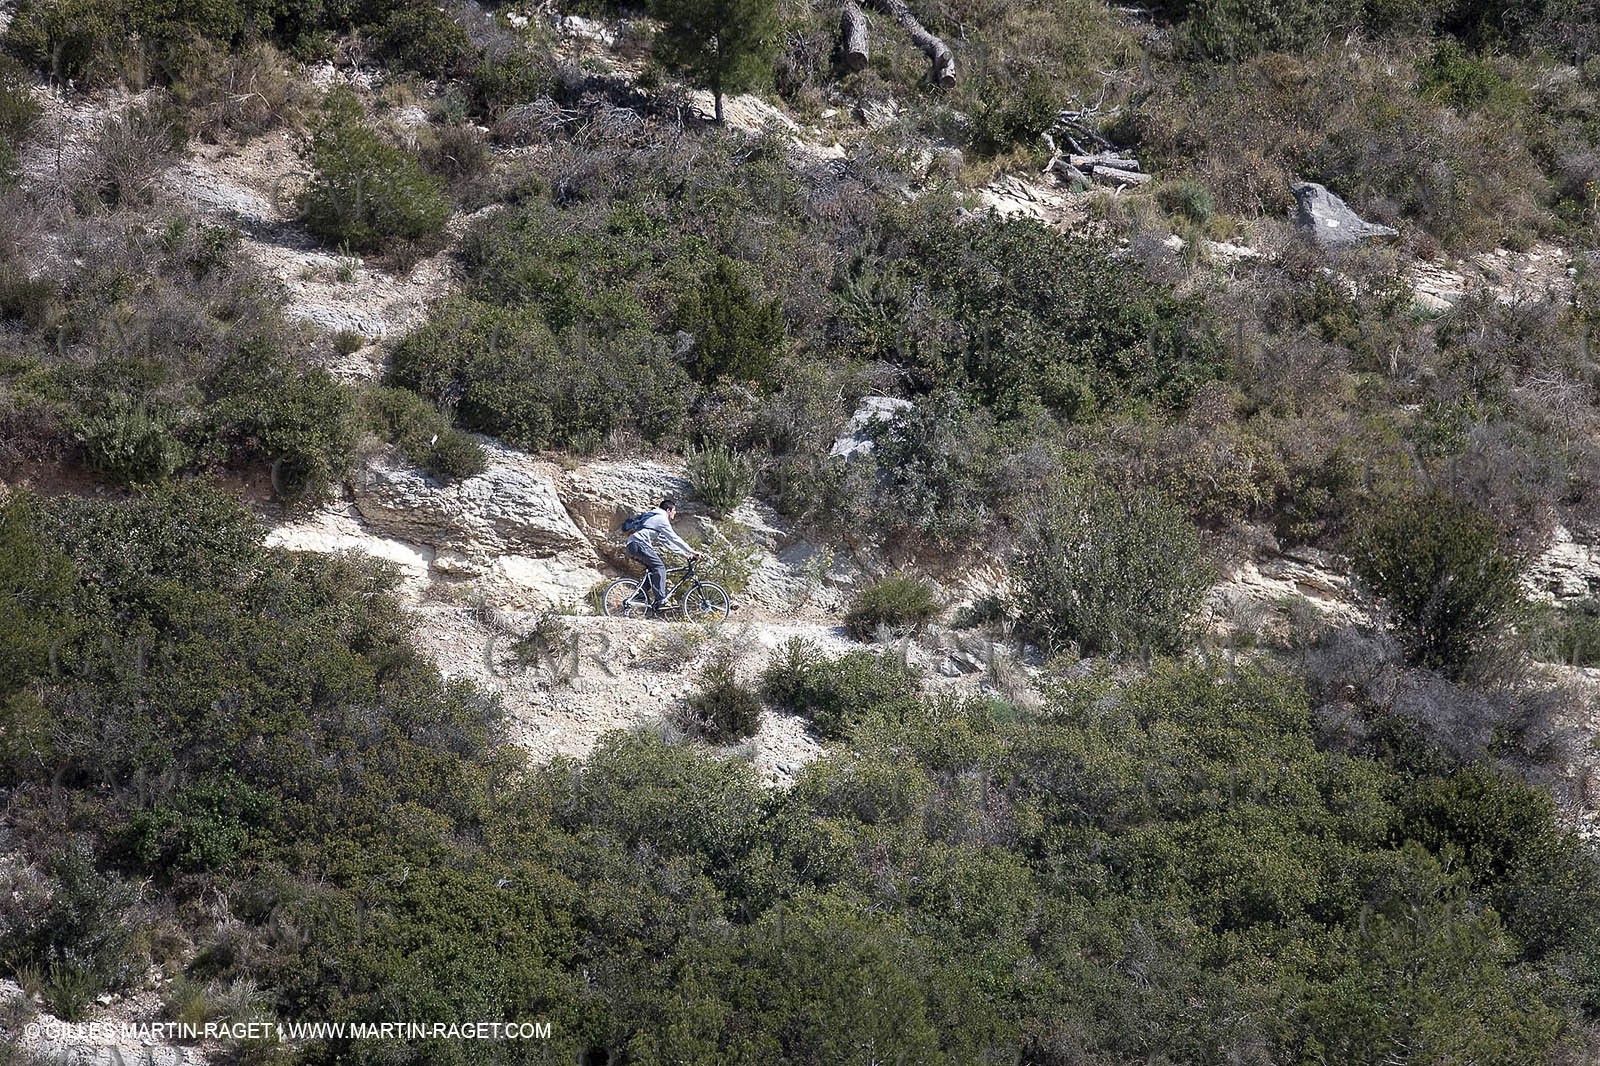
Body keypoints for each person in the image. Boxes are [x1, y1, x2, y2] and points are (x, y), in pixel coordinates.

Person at [626, 496, 699, 610]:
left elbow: (666, 541)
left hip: (632, 545)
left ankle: (640, 596)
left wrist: (683, 554)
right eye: (674, 511)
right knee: (660, 567)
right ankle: (661, 599)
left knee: (652, 571)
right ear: (668, 510)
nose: (674, 515)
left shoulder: (653, 516)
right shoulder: (662, 519)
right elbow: (674, 538)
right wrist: (692, 551)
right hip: (640, 544)